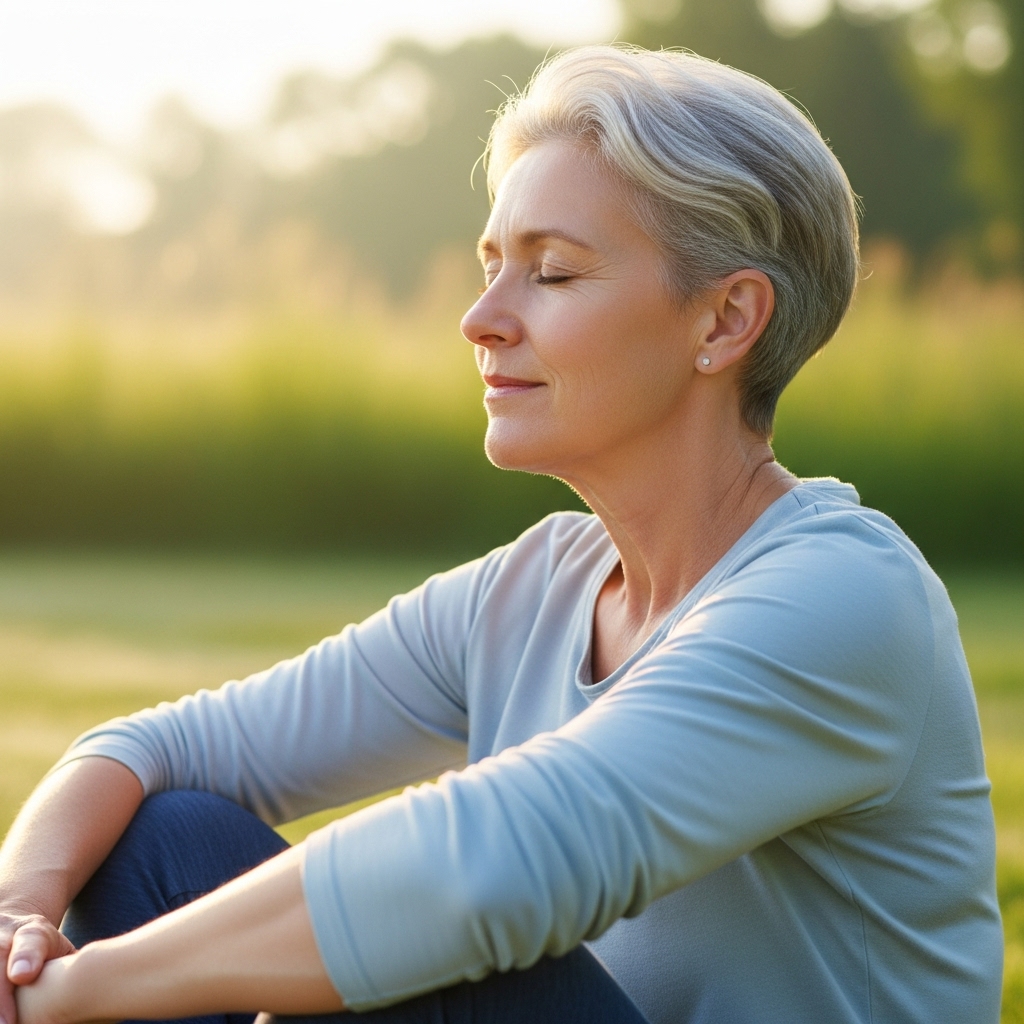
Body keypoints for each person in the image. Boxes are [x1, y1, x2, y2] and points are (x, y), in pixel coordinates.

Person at [0, 44, 1002, 1024]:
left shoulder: (844, 598)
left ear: (724, 320)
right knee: (155, 835)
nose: (481, 318)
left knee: (425, 947)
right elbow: (156, 748)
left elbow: (485, 868)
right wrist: (17, 926)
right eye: (490, 267)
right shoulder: (535, 587)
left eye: (553, 273)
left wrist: (84, 991)